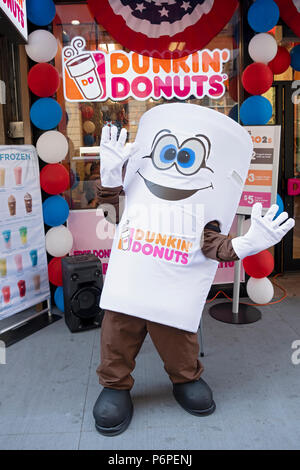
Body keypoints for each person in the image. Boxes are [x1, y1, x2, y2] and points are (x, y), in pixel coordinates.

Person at [93, 104, 295, 437]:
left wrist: (250, 242)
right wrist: (111, 180)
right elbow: (110, 215)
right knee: (117, 335)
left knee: (177, 340)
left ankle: (185, 377)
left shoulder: (204, 211)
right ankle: (115, 384)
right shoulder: (137, 196)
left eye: (186, 158)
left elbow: (216, 247)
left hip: (173, 293)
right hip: (128, 286)